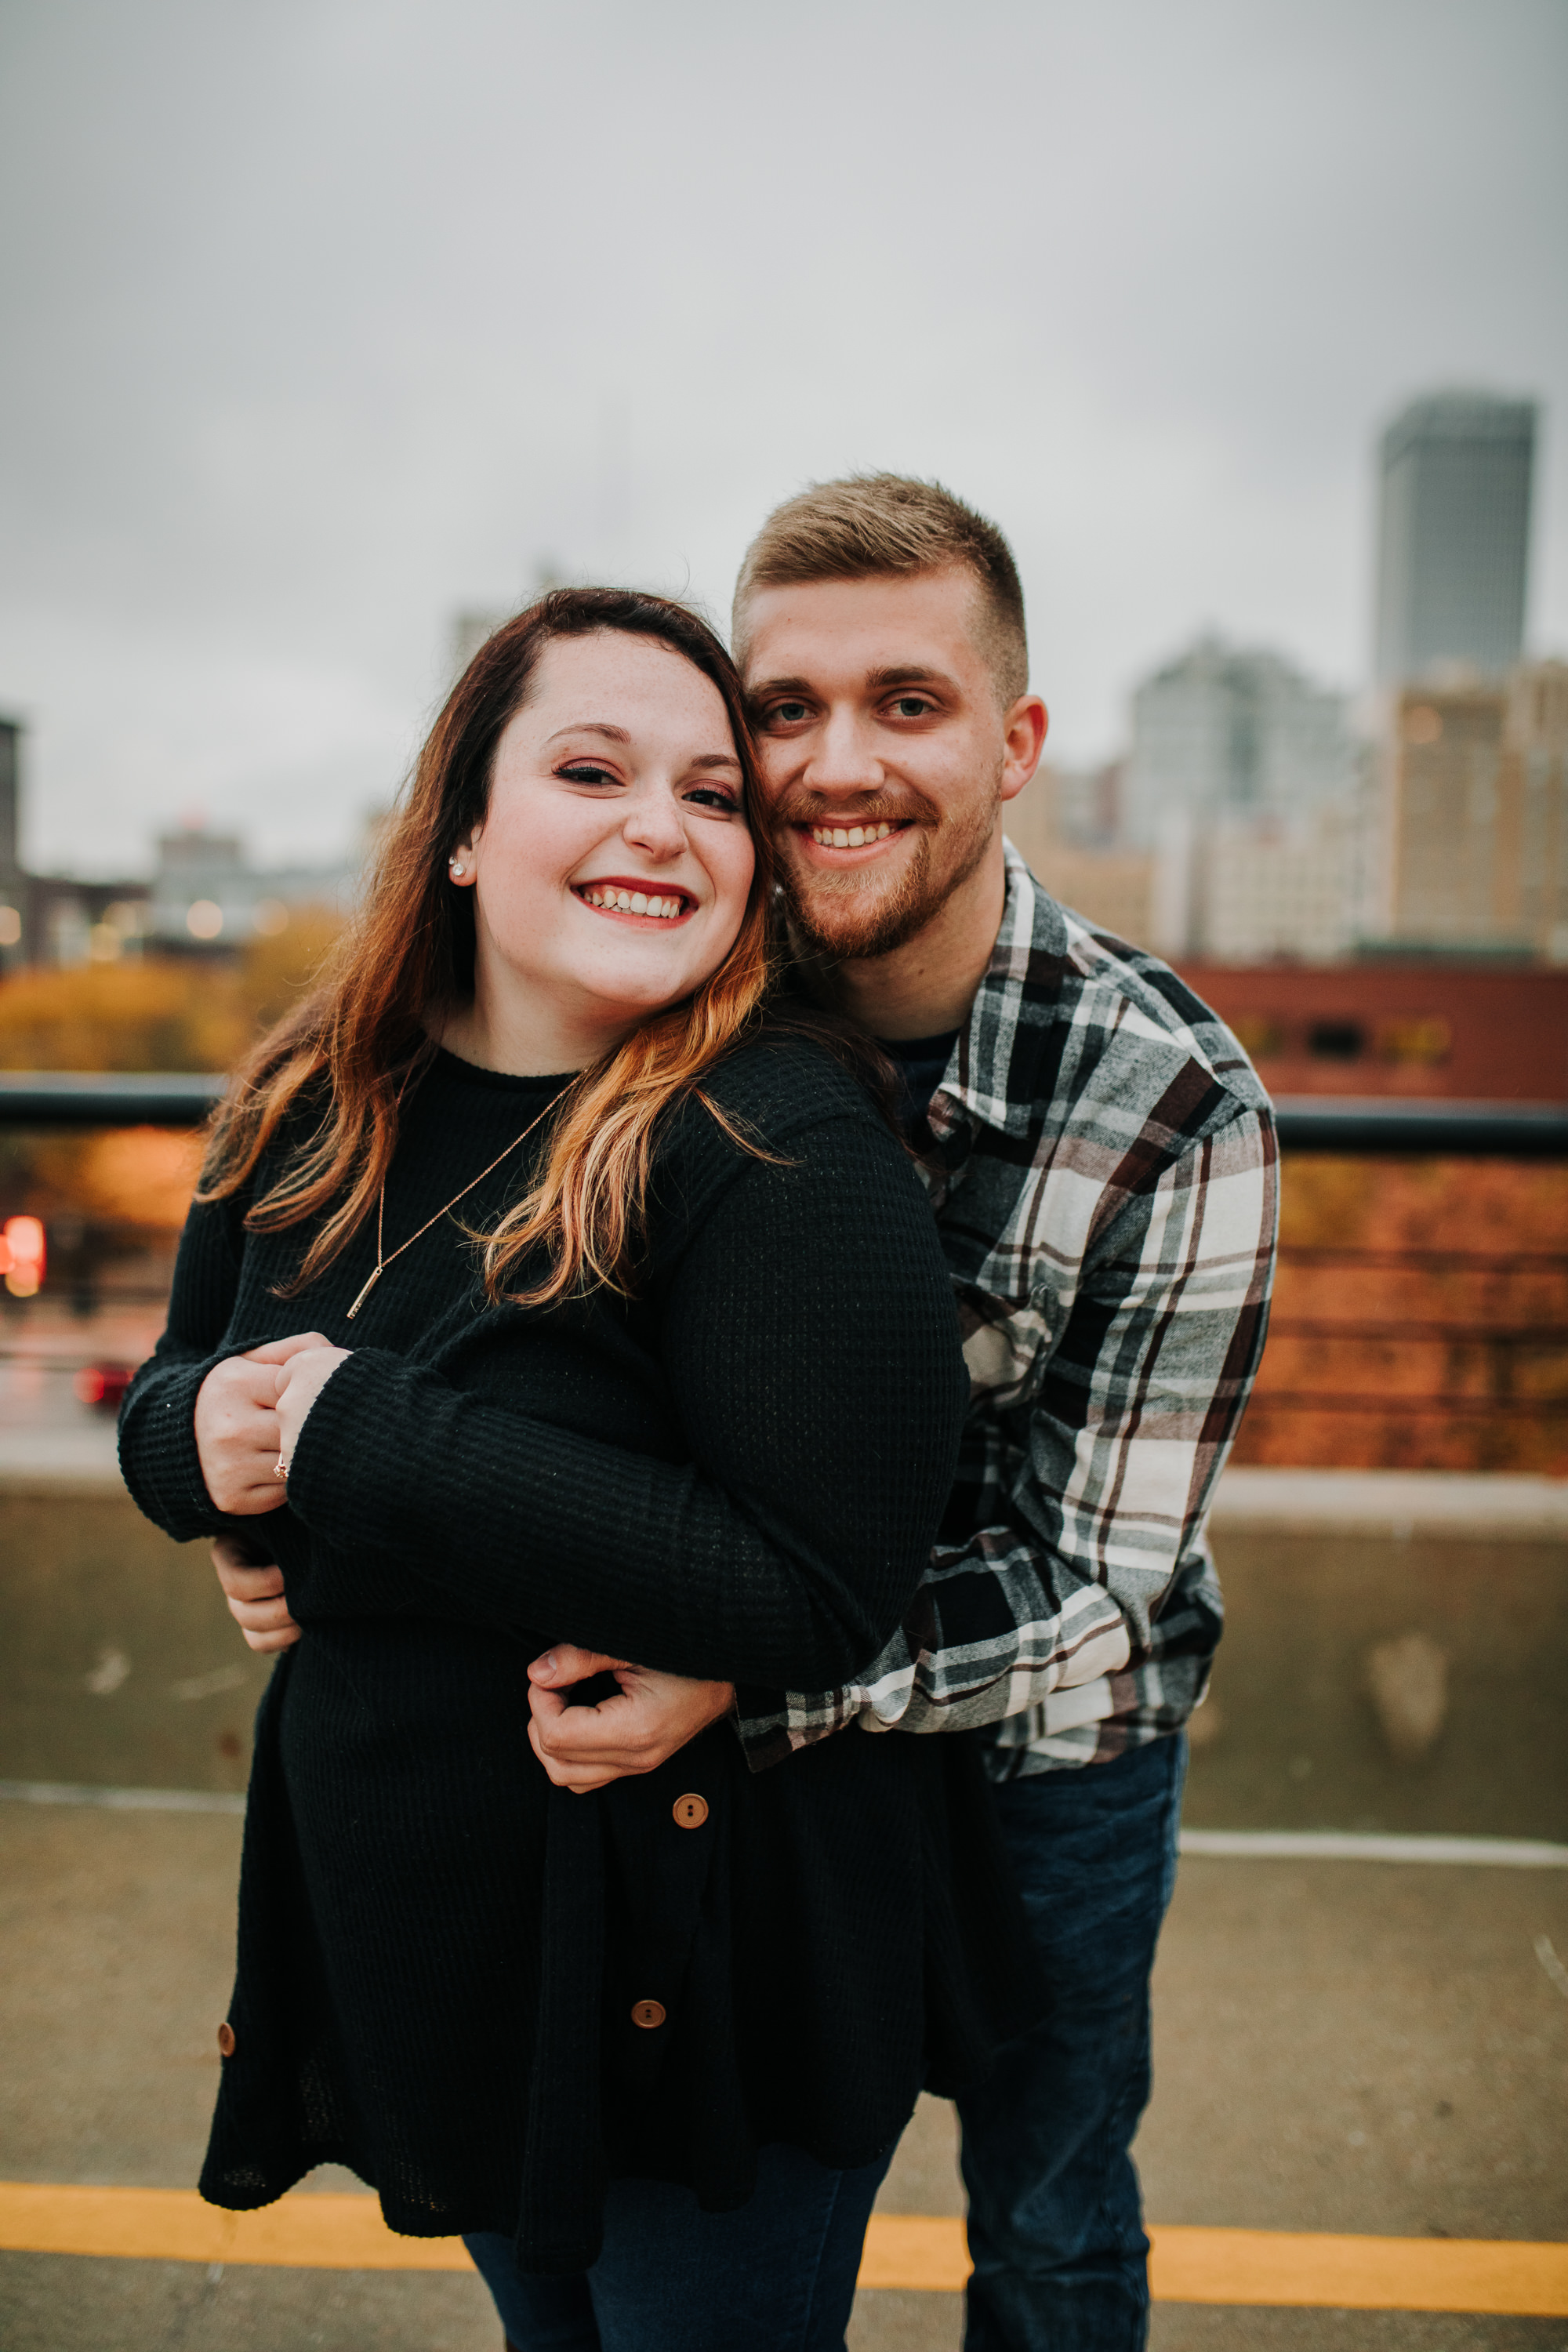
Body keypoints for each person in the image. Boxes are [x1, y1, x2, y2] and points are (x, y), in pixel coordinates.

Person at [118, 586, 1044, 2352]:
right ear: (465, 829)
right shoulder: (306, 1105)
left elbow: (818, 1582)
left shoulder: (772, 1134)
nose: (659, 827)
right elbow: (176, 1387)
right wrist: (194, 1444)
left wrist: (362, 1436)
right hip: (435, 1943)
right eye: (594, 768)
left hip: (697, 1961)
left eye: (710, 793)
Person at [528, 481, 1279, 2352]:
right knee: (726, 2202)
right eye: (783, 710)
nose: (833, 766)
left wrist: (753, 1679)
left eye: (908, 704)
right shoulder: (654, 995)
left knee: (1046, 2216)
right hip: (759, 1772)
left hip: (1050, 1755)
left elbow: (1100, 1584)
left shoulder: (1175, 1102)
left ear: (1017, 745)